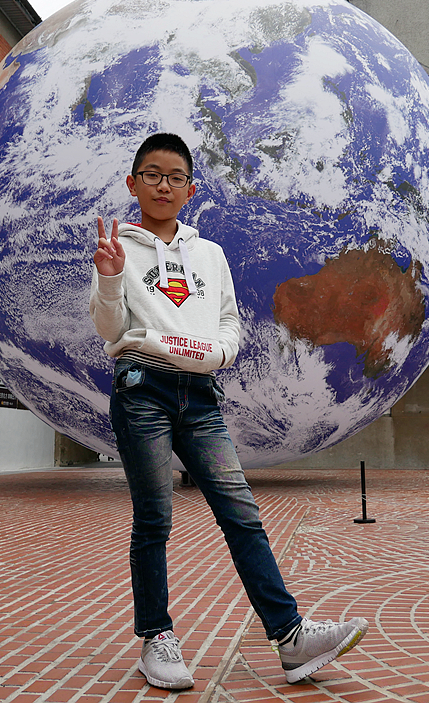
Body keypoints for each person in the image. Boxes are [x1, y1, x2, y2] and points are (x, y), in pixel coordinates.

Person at [89, 132, 368, 690]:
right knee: (155, 518)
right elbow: (110, 331)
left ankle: (290, 639)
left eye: (174, 177)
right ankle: (156, 636)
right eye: (151, 174)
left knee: (241, 513)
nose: (162, 185)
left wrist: (213, 353)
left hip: (201, 396)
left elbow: (229, 325)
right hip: (142, 389)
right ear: (132, 182)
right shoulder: (117, 246)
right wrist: (112, 275)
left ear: (190, 189)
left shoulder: (209, 254)